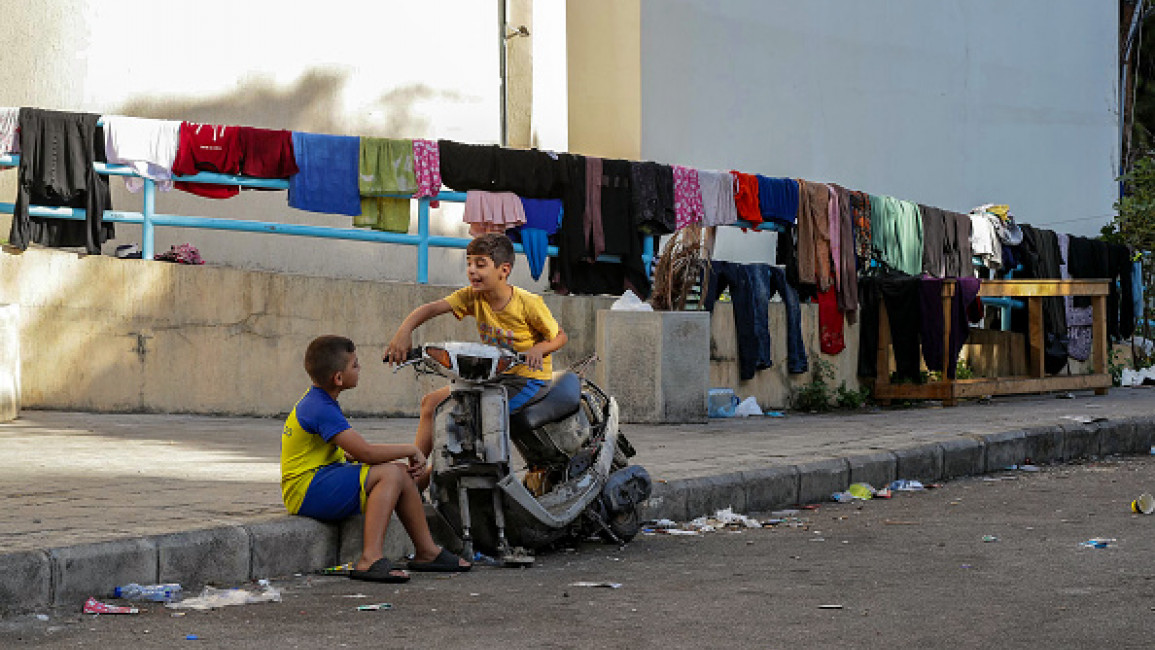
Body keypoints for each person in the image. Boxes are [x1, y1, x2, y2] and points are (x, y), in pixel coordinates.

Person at [281, 335, 470, 583]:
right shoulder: (320, 407)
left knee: (399, 473)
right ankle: (370, 558)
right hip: (304, 490)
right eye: (355, 365)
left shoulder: (320, 401)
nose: (360, 369)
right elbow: (365, 453)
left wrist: (383, 464)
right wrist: (410, 450)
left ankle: (427, 552)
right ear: (338, 378)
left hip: (317, 481)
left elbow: (348, 453)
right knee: (391, 473)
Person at [385, 233, 568, 486]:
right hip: (491, 376)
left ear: (504, 270)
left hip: (527, 380)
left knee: (473, 419)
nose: (472, 270)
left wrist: (540, 349)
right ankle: (414, 469)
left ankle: (428, 478)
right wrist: (403, 332)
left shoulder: (528, 303)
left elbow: (560, 337)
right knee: (431, 403)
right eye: (469, 263)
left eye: (480, 264)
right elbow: (431, 309)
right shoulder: (473, 296)